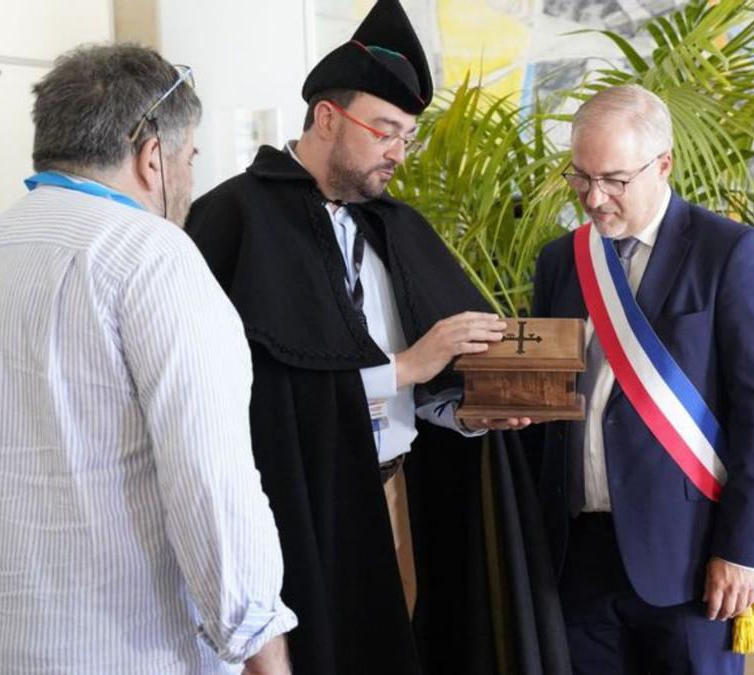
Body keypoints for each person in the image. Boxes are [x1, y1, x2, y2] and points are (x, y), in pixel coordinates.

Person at [0, 45, 295, 674]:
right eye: (189, 158)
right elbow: (213, 489)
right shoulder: (153, 256)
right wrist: (264, 656)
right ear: (152, 157)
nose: (190, 179)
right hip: (112, 650)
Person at [185, 1, 527, 672]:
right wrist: (402, 367)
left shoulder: (395, 227)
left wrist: (464, 408)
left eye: (408, 136)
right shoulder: (231, 219)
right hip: (295, 513)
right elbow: (241, 393)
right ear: (326, 118)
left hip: (394, 499)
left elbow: (424, 388)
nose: (399, 152)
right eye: (386, 131)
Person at [530, 84, 754, 674]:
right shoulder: (561, 260)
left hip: (690, 554)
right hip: (576, 552)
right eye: (580, 177)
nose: (594, 198)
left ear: (663, 164)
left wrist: (743, 548)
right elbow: (546, 396)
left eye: (614, 180)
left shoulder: (729, 253)